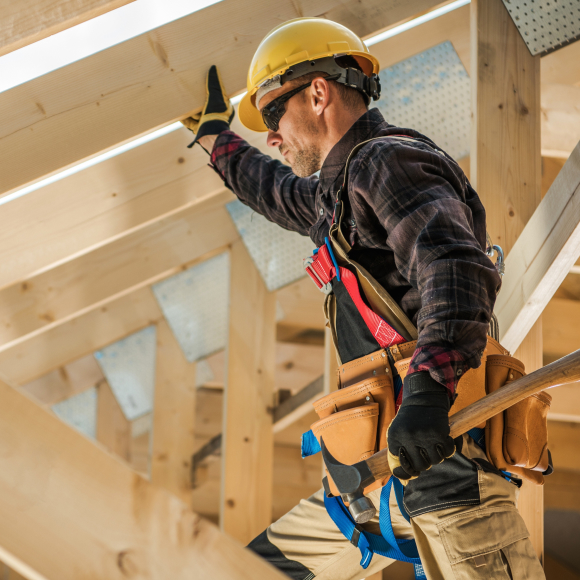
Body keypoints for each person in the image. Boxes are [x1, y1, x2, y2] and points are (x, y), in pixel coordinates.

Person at [182, 17, 546, 580]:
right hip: (372, 486)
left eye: (273, 115)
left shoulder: (384, 161)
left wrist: (426, 395)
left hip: (446, 478)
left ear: (319, 93)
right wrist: (215, 139)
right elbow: (273, 190)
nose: (272, 137)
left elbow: (453, 266)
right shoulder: (338, 194)